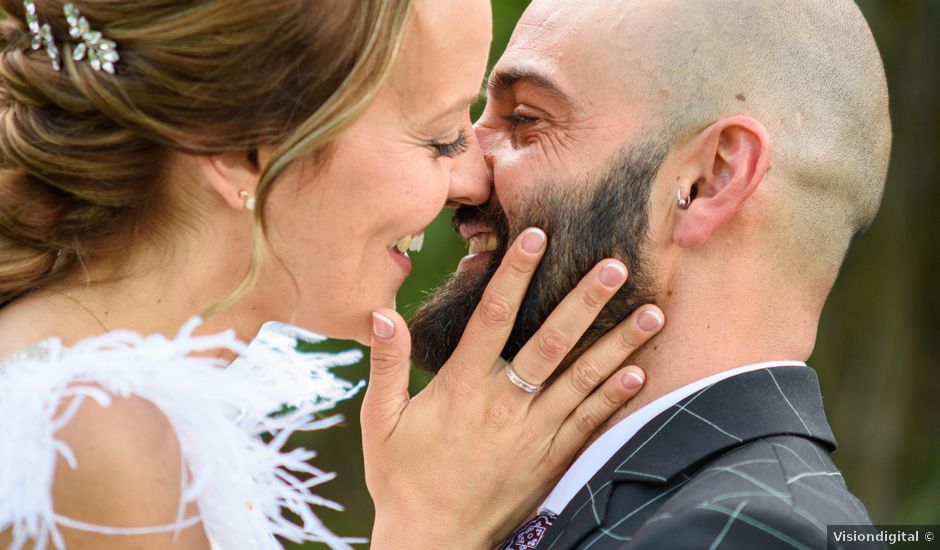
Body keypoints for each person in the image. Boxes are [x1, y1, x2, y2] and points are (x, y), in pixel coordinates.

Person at [0, 0, 667, 549]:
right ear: (246, 152)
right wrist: (427, 529)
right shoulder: (92, 435)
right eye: (437, 138)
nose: (472, 178)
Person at [410, 0, 891, 547]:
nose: (460, 174)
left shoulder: (747, 532)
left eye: (524, 119)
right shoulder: (529, 498)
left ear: (709, 181)